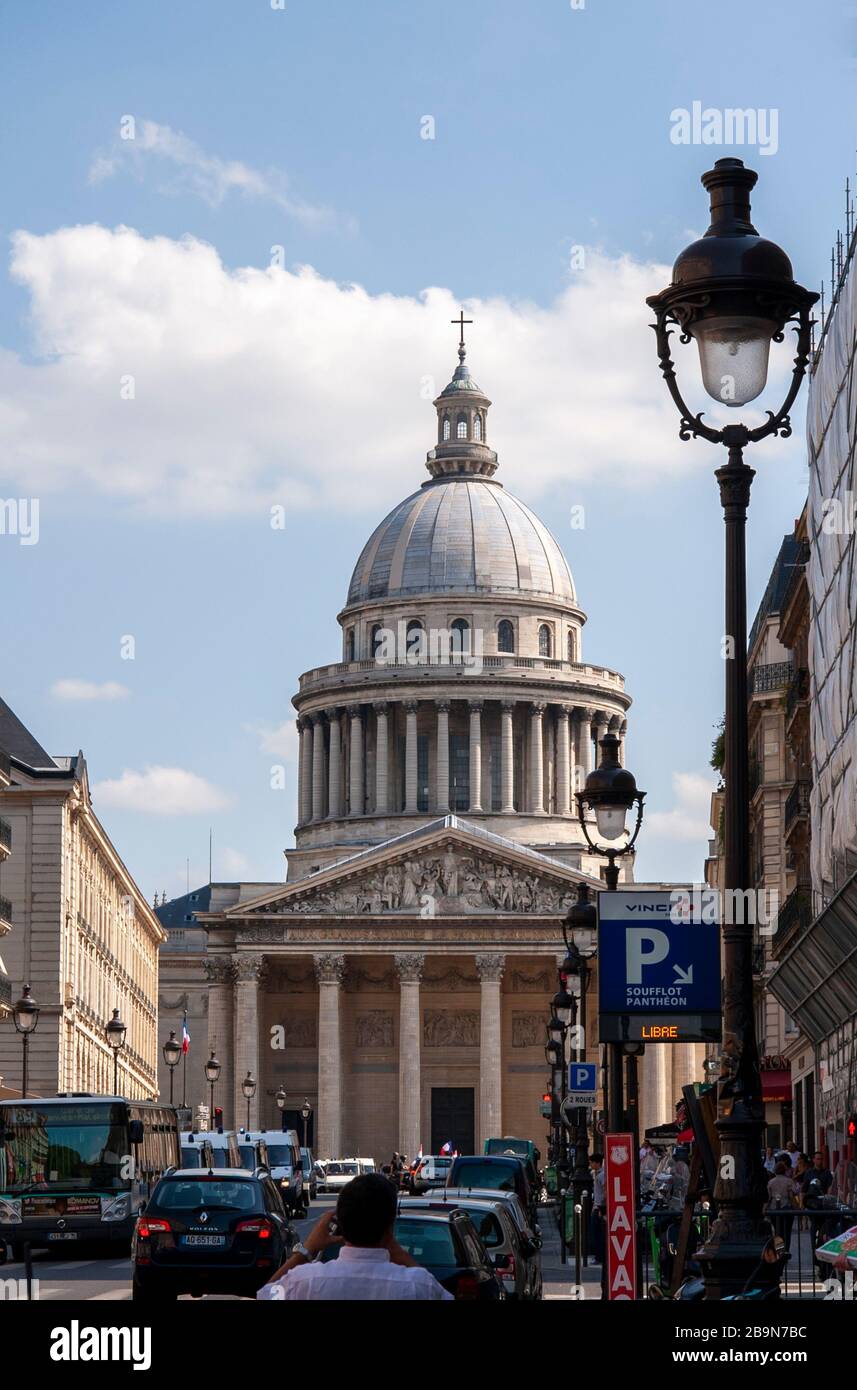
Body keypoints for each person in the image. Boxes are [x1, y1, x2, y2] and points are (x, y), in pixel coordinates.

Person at [258, 1173, 453, 1300]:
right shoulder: (417, 1286)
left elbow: (265, 1295)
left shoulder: (304, 1282)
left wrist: (306, 1250)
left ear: (340, 1223)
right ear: (390, 1226)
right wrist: (396, 1249)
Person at [766, 1161, 798, 1251]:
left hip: (774, 1210)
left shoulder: (771, 1182)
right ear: (785, 1170)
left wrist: (765, 1209)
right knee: (787, 1232)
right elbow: (795, 1192)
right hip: (787, 1209)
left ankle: (779, 1251)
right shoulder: (789, 1181)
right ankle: (786, 1251)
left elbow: (768, 1198)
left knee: (777, 1232)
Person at [588, 1153, 605, 1266]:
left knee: (597, 1234)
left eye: (592, 1162)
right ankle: (599, 1256)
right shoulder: (597, 1174)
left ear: (597, 1163)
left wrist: (600, 1208)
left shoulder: (601, 1175)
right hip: (597, 1207)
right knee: (596, 1233)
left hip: (599, 1208)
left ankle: (599, 1256)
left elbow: (604, 1192)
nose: (590, 1164)